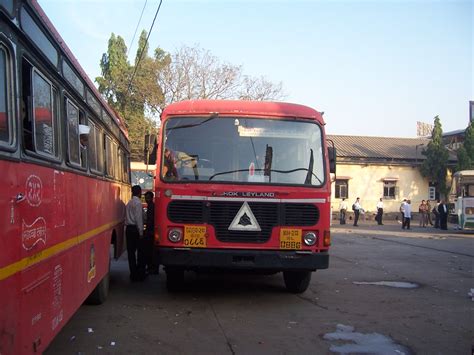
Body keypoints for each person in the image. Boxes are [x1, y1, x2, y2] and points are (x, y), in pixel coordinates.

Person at [125, 185, 146, 281]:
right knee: (140, 252)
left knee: (131, 253)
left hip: (128, 229)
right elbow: (139, 219)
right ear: (139, 192)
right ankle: (139, 273)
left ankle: (132, 273)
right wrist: (141, 232)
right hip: (135, 230)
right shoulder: (138, 203)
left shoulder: (129, 203)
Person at [144, 191, 158, 274]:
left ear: (151, 198)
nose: (146, 199)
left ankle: (152, 267)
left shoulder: (151, 206)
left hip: (151, 232)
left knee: (150, 251)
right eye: (146, 198)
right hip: (150, 231)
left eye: (148, 198)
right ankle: (152, 267)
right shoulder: (150, 206)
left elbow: (151, 220)